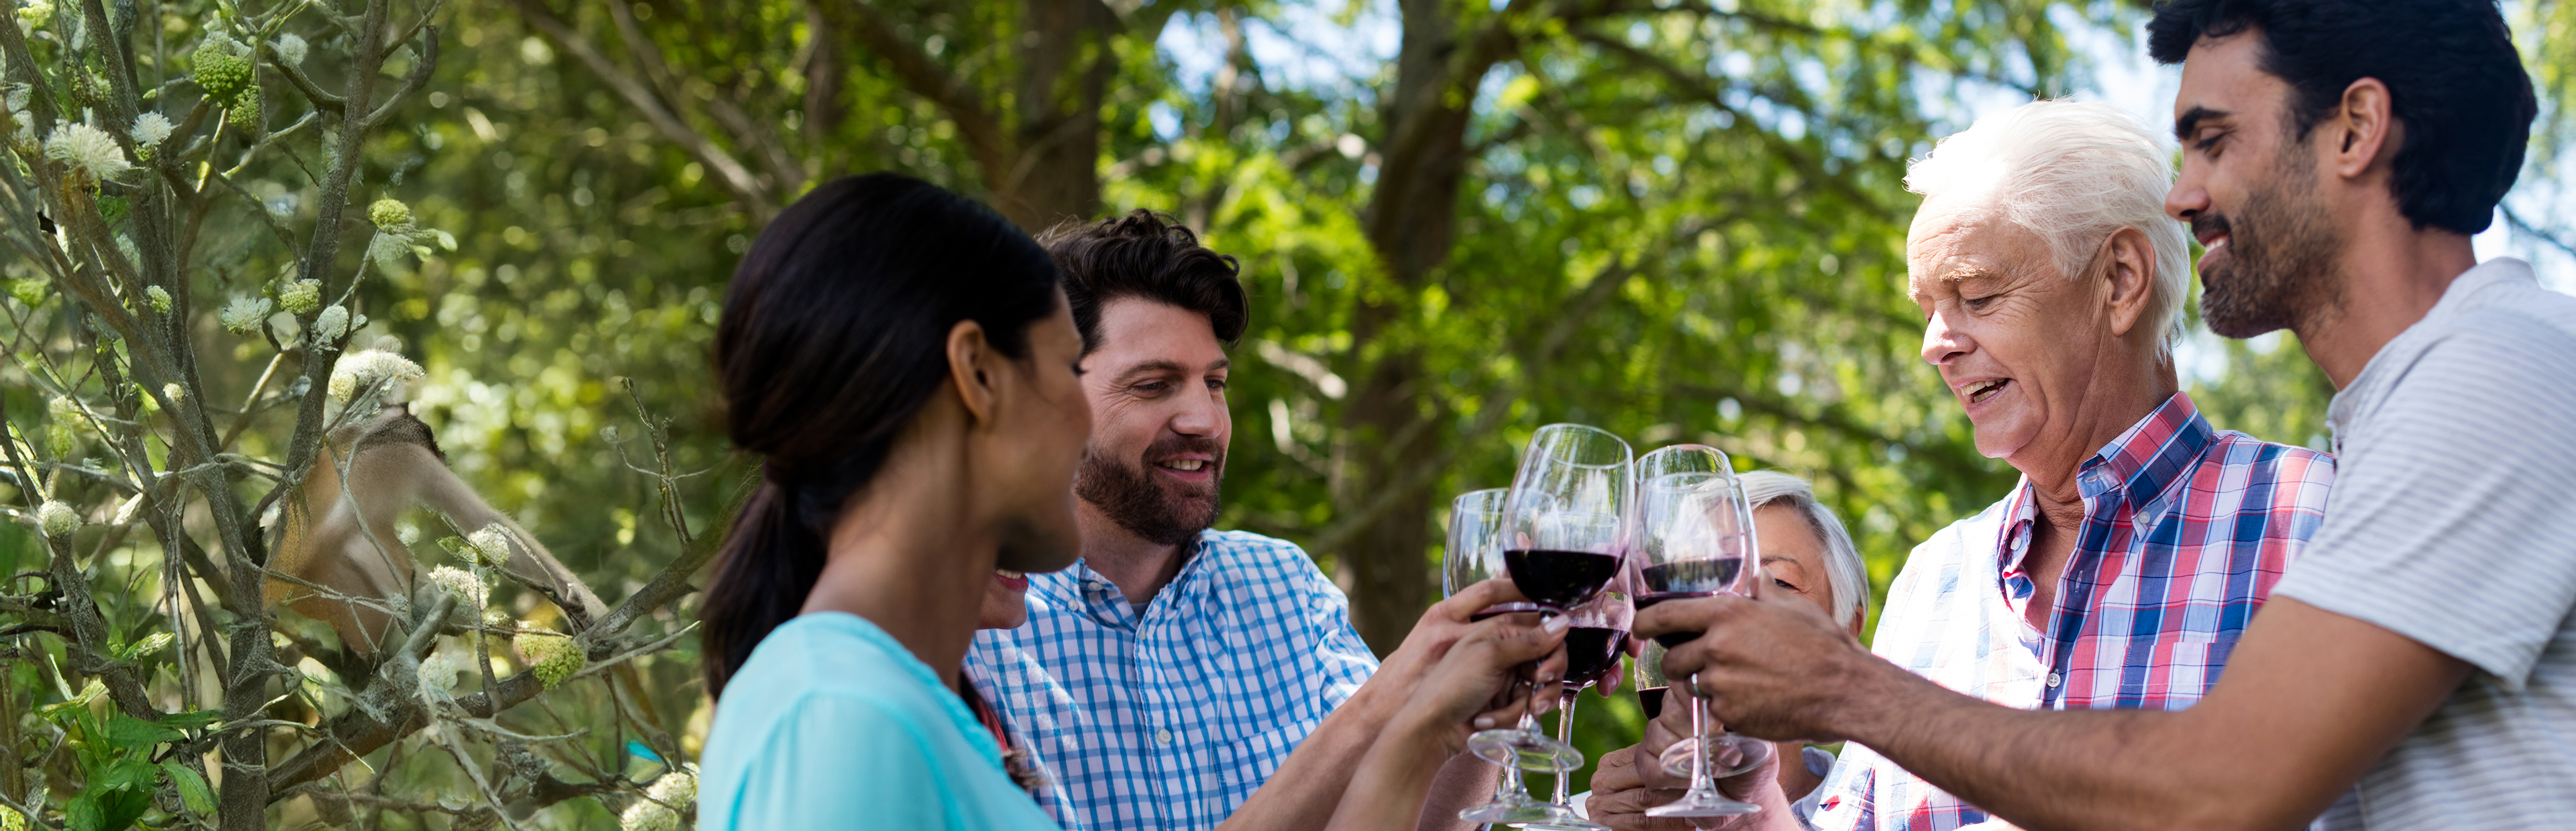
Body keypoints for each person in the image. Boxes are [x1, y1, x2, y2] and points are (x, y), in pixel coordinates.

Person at [1646, 1, 2574, 829]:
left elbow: (2222, 788)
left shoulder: (2487, 379)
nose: (2185, 194)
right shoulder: (1937, 579)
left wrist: (1845, 689)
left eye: (2213, 140)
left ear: (2356, 128)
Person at [694, 174, 1560, 830]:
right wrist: (1409, 706)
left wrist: (1431, 720)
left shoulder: (878, 700)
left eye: (1215, 382)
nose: (1078, 419)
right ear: (978, 375)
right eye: (1061, 362)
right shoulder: (841, 715)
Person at [1627, 96, 2344, 830]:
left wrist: (1852, 689)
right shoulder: (1935, 576)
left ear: (2120, 281)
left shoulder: (2316, 520)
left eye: (1976, 294)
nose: (1935, 343)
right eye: (1929, 308)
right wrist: (1728, 808)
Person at [964, 211, 1494, 831]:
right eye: (1155, 384)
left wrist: (1481, 709)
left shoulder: (1285, 586)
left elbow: (1408, 819)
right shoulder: (977, 622)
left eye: (1214, 383)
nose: (1204, 420)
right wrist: (1397, 693)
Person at [1581, 470, 1871, 827]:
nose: (1730, 610)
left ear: (1846, 632)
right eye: (1704, 584)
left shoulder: (1896, 810)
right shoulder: (1601, 813)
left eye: (1778, 582)